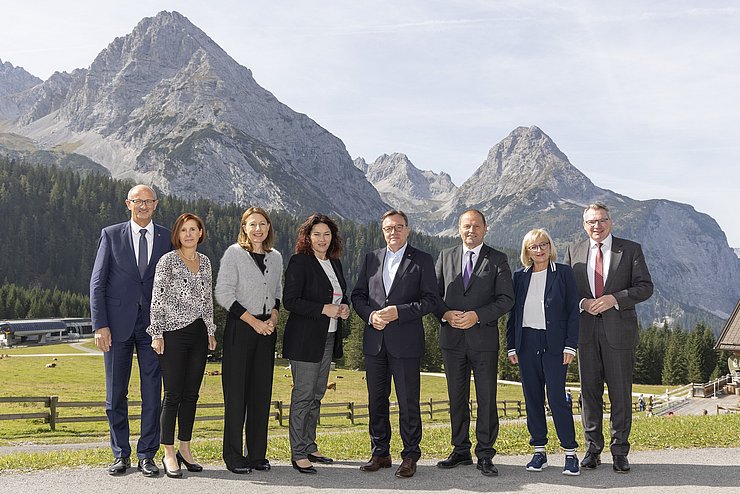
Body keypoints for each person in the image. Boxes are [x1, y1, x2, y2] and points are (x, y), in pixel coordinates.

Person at [563, 203, 653, 473]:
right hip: (586, 333)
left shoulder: (630, 249)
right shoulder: (574, 251)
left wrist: (615, 298)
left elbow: (645, 287)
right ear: (584, 225)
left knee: (620, 395)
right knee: (589, 394)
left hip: (619, 334)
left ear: (610, 222)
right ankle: (592, 450)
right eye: (591, 222)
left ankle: (619, 451)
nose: (596, 226)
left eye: (601, 220)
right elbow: (566, 291)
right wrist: (582, 303)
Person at [90, 184, 172, 477]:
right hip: (116, 326)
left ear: (156, 204)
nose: (143, 206)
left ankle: (147, 455)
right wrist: (100, 325)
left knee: (152, 393)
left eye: (149, 202)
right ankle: (120, 454)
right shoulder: (111, 235)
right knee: (115, 394)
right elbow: (97, 283)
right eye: (138, 201)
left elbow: (171, 287)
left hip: (154, 328)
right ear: (128, 204)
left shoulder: (166, 237)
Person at [351, 210, 439, 479]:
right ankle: (380, 452)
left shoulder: (422, 260)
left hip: (406, 343)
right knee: (376, 400)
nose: (394, 232)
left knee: (407, 402)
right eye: (389, 228)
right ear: (383, 231)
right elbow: (357, 296)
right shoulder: (371, 259)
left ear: (408, 230)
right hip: (375, 342)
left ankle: (410, 455)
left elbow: (431, 301)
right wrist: (370, 315)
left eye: (399, 227)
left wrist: (399, 311)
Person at [434, 209, 514, 477]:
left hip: (484, 341)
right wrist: (444, 314)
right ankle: (460, 450)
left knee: (486, 398)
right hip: (452, 340)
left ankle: (486, 454)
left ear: (485, 228)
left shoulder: (498, 258)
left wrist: (477, 316)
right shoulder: (446, 256)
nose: (471, 231)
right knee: (456, 398)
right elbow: (432, 295)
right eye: (466, 226)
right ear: (459, 229)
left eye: (476, 226)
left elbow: (506, 299)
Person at [147, 213, 217, 478]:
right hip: (173, 334)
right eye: (184, 230)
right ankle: (167, 452)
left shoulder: (206, 262)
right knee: (173, 395)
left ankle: (185, 449)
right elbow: (158, 299)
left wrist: (210, 330)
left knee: (192, 395)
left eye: (193, 229)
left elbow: (206, 299)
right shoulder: (168, 261)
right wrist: (156, 333)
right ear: (177, 234)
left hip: (199, 334)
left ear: (200, 233)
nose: (189, 234)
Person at [506, 229, 581, 476]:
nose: (539, 250)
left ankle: (570, 453)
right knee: (532, 398)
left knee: (557, 399)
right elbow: (513, 314)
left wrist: (571, 345)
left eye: (543, 245)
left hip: (555, 345)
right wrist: (512, 345)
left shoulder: (563, 273)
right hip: (527, 342)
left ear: (550, 246)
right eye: (533, 246)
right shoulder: (519, 276)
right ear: (526, 251)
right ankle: (539, 451)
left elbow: (572, 311)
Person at [215, 207, 283, 474]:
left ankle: (256, 454)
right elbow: (223, 293)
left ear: (269, 228)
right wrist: (253, 322)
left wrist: (274, 317)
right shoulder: (234, 253)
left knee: (260, 394)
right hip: (241, 328)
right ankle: (233, 456)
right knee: (236, 394)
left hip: (267, 330)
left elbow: (277, 291)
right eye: (252, 224)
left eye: (263, 224)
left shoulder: (275, 257)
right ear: (244, 228)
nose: (258, 229)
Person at [282, 214, 350, 474]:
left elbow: (340, 296)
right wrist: (324, 308)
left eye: (327, 234)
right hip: (304, 340)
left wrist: (343, 309)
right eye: (317, 234)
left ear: (333, 238)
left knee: (317, 394)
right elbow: (291, 301)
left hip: (328, 337)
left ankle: (309, 444)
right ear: (307, 237)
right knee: (303, 395)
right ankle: (298, 452)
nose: (322, 239)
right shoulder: (300, 262)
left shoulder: (335, 263)